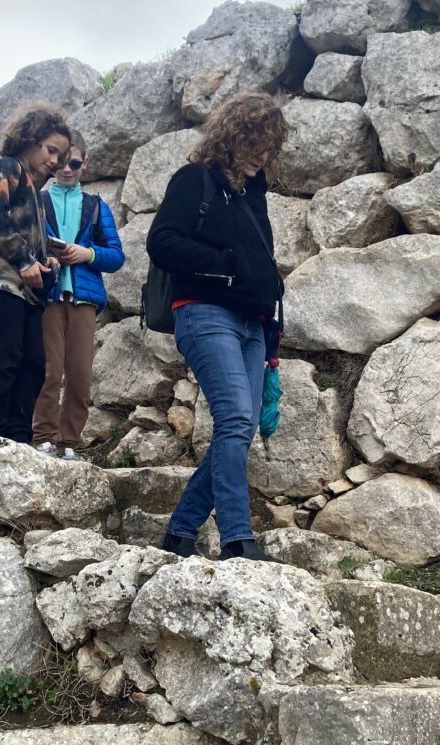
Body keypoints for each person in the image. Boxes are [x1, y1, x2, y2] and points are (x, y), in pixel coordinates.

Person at [146, 92, 287, 562]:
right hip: (205, 313)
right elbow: (161, 242)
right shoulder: (194, 180)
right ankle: (237, 542)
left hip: (252, 324)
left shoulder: (252, 195)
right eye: (256, 145)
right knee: (235, 420)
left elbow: (257, 260)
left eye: (270, 148)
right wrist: (225, 263)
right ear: (233, 138)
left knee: (239, 429)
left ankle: (180, 532)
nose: (263, 156)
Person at [0, 103, 71, 443]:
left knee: (33, 362)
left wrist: (46, 261)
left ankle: (17, 438)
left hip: (28, 289)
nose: (55, 161)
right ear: (31, 139)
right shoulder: (7, 168)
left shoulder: (34, 191)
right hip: (2, 281)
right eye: (51, 150)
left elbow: (31, 237)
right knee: (6, 359)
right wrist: (24, 260)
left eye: (60, 156)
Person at [32, 134, 125, 460]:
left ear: (84, 163)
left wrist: (88, 254)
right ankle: (43, 437)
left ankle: (69, 443)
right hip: (49, 295)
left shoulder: (96, 206)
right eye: (61, 163)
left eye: (74, 163)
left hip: (84, 299)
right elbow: (24, 245)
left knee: (80, 375)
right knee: (50, 369)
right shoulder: (38, 201)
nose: (67, 169)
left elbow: (116, 256)